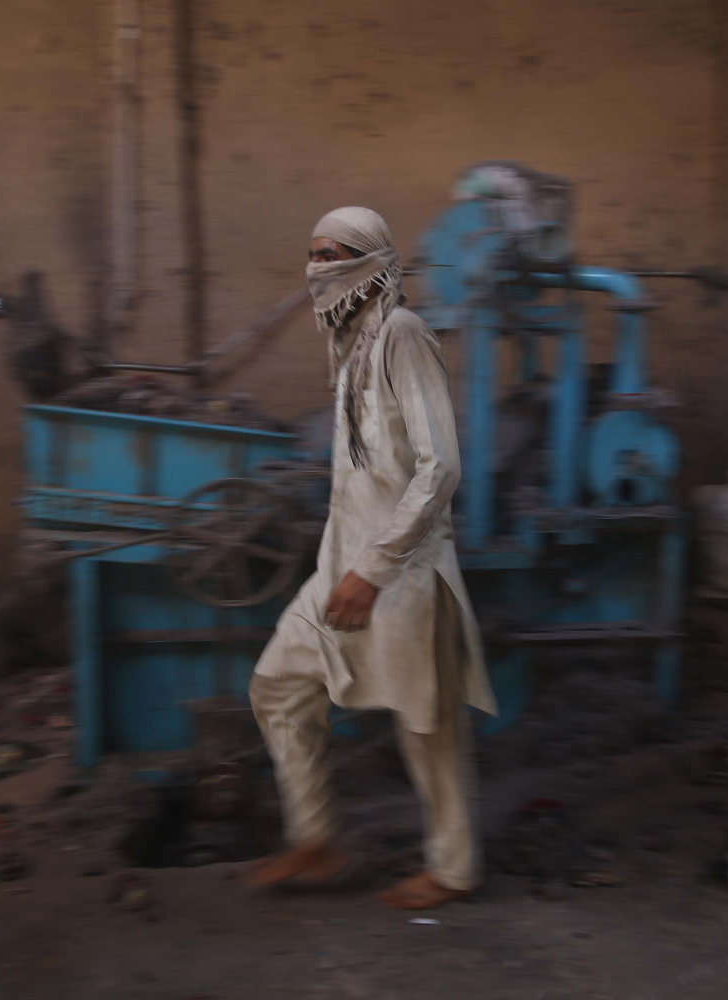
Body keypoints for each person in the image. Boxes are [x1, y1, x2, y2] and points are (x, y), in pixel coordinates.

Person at [246, 206, 496, 910]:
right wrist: (347, 567)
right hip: (342, 566)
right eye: (314, 254)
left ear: (376, 261)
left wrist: (374, 570)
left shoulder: (403, 334)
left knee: (427, 726)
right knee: (277, 685)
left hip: (400, 573)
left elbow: (440, 467)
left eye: (335, 254)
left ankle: (453, 869)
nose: (319, 267)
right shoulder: (352, 344)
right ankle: (315, 839)